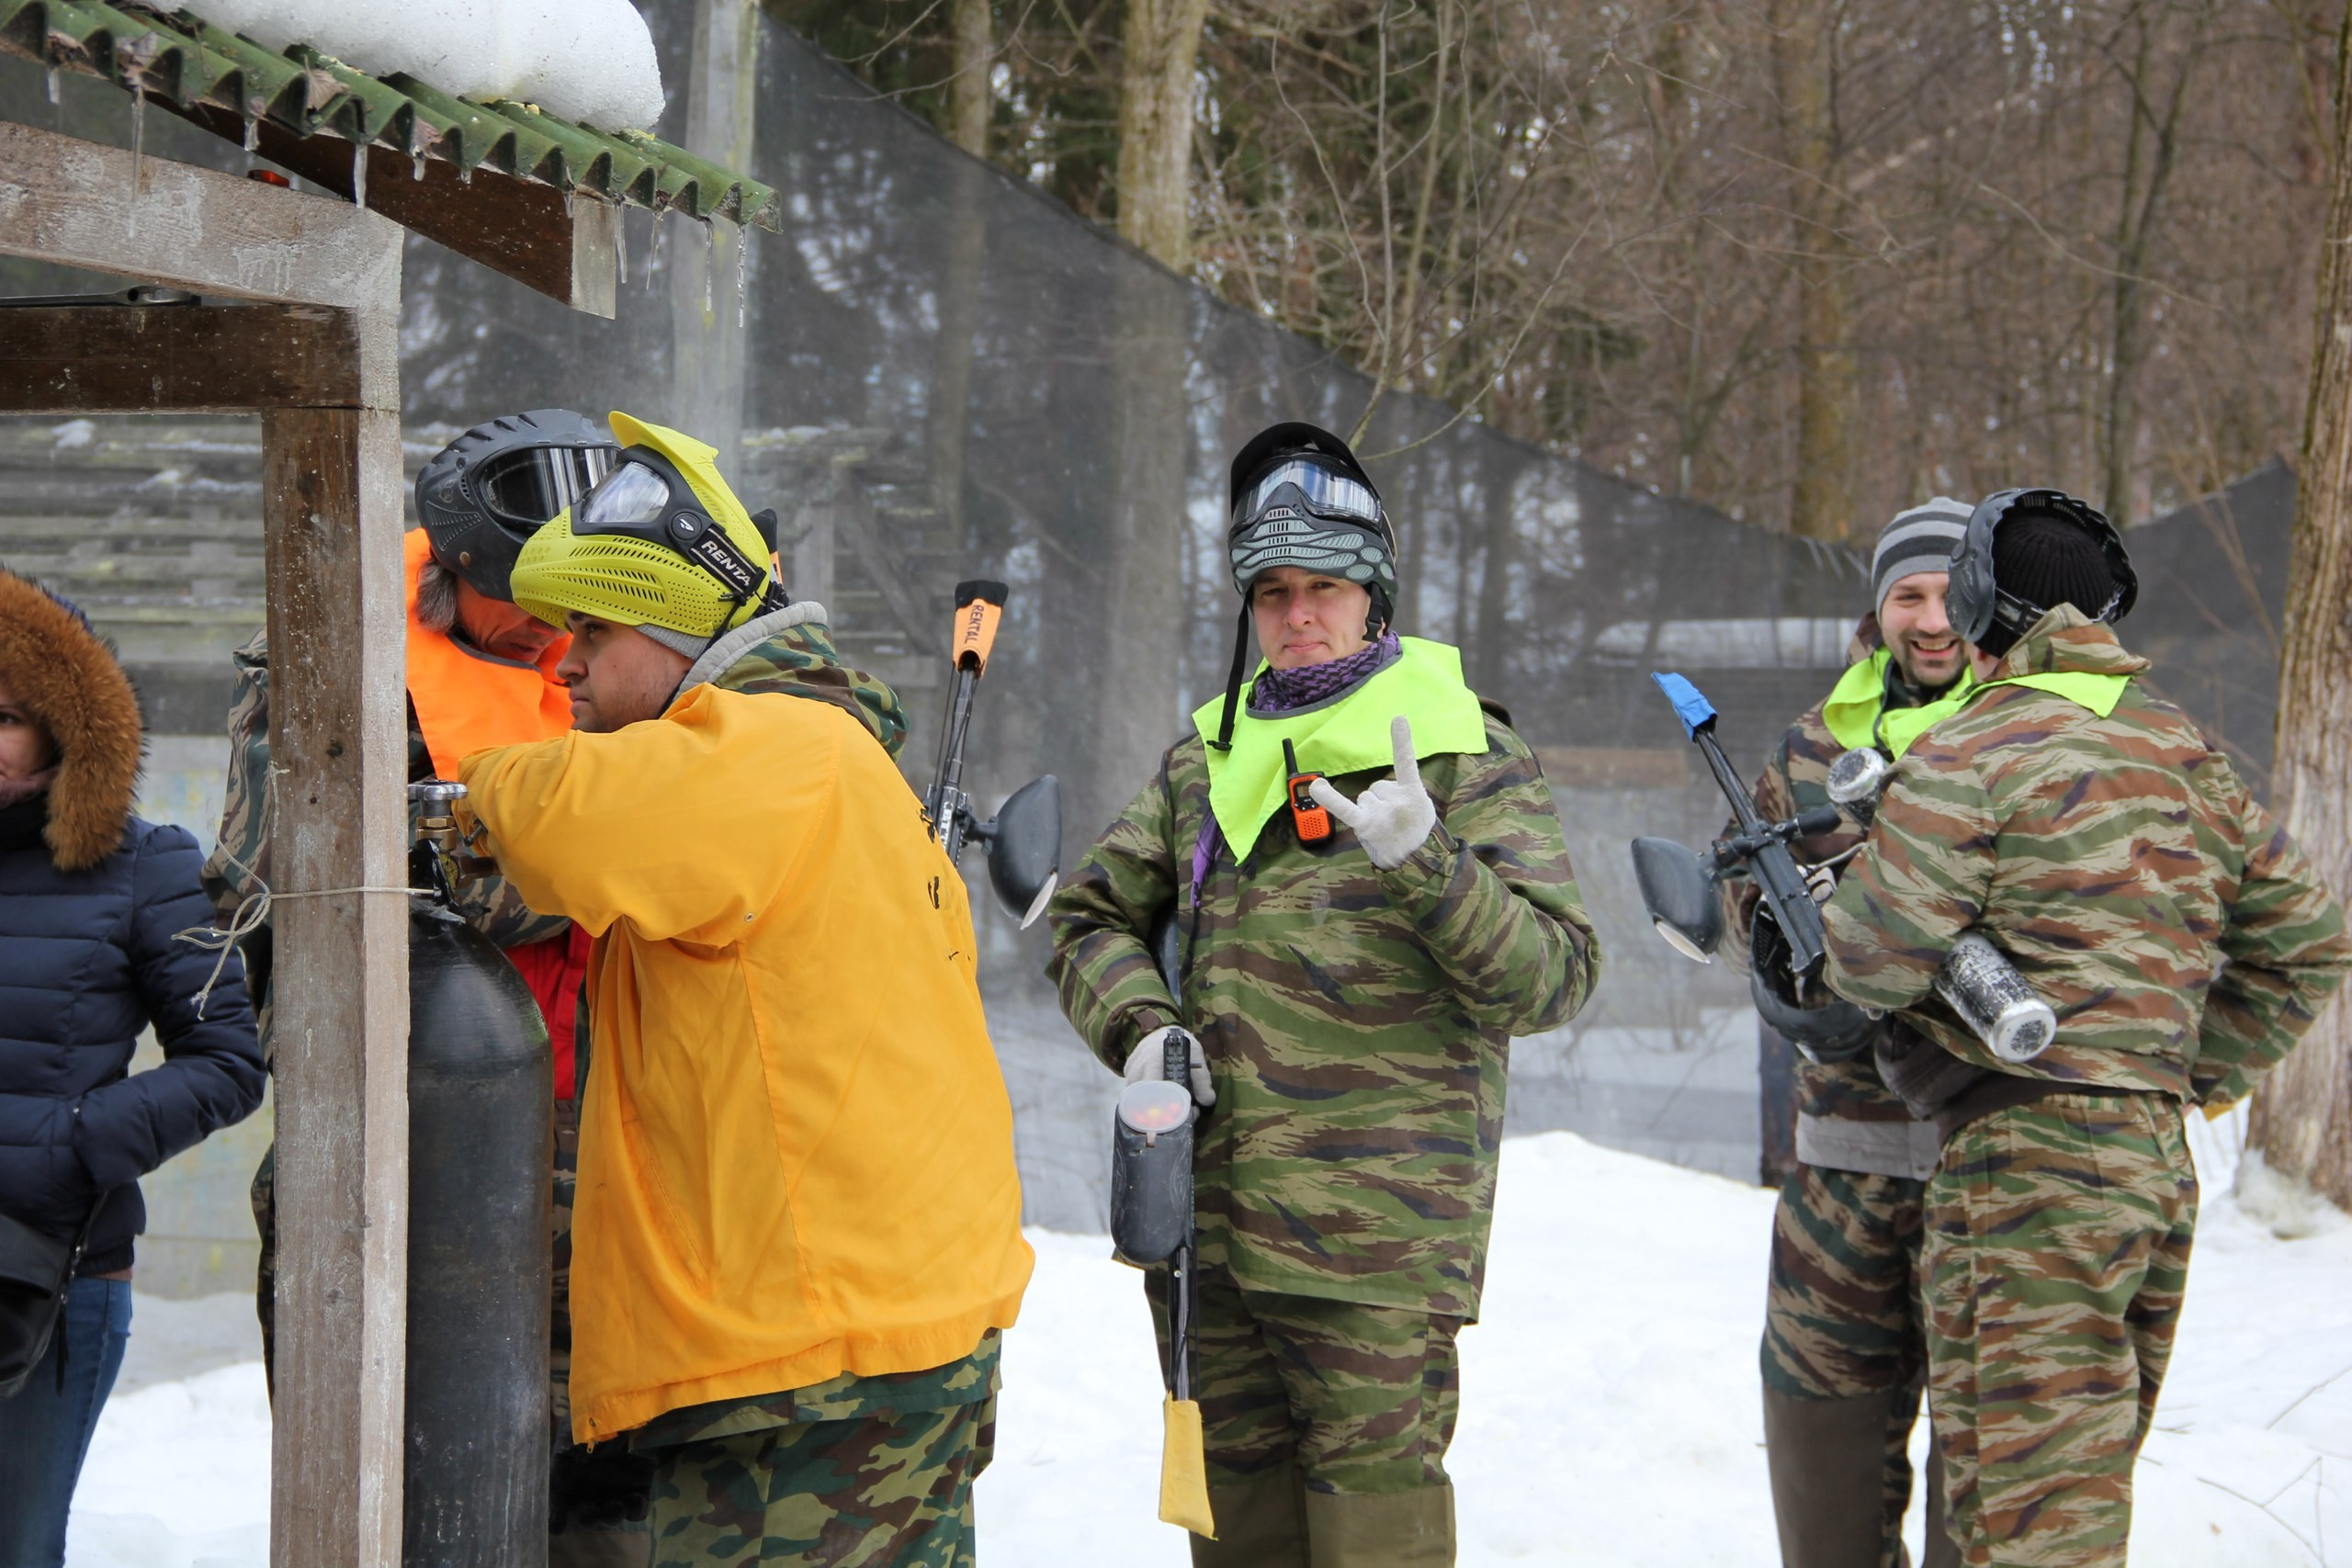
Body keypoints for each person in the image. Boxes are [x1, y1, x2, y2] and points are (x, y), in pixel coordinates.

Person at [449, 412, 1032, 1568]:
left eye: (594, 632)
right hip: (863, 1340)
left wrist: (458, 790)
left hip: (813, 1360)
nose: (563, 665)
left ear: (676, 636)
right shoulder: (819, 756)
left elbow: (554, 817)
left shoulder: (768, 755)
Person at [1046, 422, 1601, 1566]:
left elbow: (1551, 977)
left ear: (1375, 595)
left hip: (1374, 1248)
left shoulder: (1458, 750)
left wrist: (1430, 864)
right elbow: (1089, 915)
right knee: (1237, 1538)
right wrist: (1145, 1033)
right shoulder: (1206, 760)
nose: (1299, 616)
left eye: (1327, 590)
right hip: (1209, 1234)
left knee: (1373, 1544)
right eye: (1274, 592)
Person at [1818, 490, 2352, 1568]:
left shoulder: (1974, 746)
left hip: (2025, 1172)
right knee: (2067, 1490)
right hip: (2153, 1167)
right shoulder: (2187, 751)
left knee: (2027, 1527)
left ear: (1975, 605)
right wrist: (2171, 1074)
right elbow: (2309, 939)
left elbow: (1871, 956)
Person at [198, 409, 667, 1552]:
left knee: (601, 1518)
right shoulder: (337, 670)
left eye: (584, 594)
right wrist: (546, 866)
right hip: (410, 1155)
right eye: (532, 589)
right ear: (455, 565)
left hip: (621, 1166)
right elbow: (261, 905)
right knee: (395, 1502)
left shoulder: (645, 665)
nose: (559, 621)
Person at [1719, 500, 1975, 1568]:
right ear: (1875, 610)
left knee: (1998, 1484)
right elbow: (1741, 888)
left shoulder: (2042, 734)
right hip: (1843, 1171)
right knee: (1824, 1475)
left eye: (1952, 593)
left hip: (1997, 1169)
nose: (1931, 619)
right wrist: (1780, 964)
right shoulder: (1813, 746)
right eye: (1906, 595)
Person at [0, 570, 266, 1566]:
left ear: (69, 728)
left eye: (7, 717)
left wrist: (66, 1146)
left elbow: (227, 1063)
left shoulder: (145, 869)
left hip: (42, 1281)